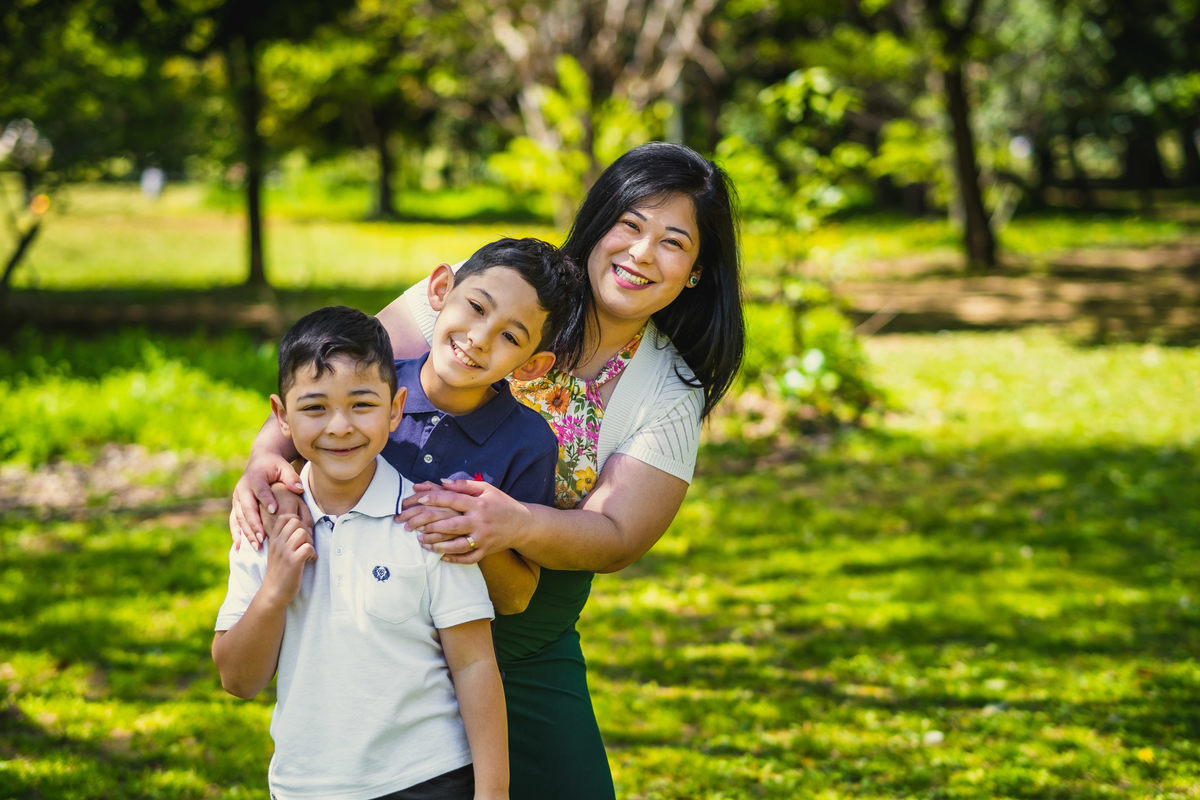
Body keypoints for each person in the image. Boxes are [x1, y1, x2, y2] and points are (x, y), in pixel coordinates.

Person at [231, 142, 746, 799]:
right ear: (599, 222)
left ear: (696, 271)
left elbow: (619, 535)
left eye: (673, 242)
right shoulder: (493, 287)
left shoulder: (668, 389)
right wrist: (265, 460)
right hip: (384, 627)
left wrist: (516, 525)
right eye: (630, 224)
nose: (642, 253)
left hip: (519, 641)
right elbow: (337, 375)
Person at [213, 305, 510, 800]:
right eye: (314, 408)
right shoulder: (263, 523)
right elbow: (238, 681)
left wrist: (493, 792)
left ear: (395, 409)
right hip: (306, 787)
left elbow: (474, 664)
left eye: (361, 404)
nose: (340, 426)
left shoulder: (427, 519)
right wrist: (275, 590)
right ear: (281, 416)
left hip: (429, 779)